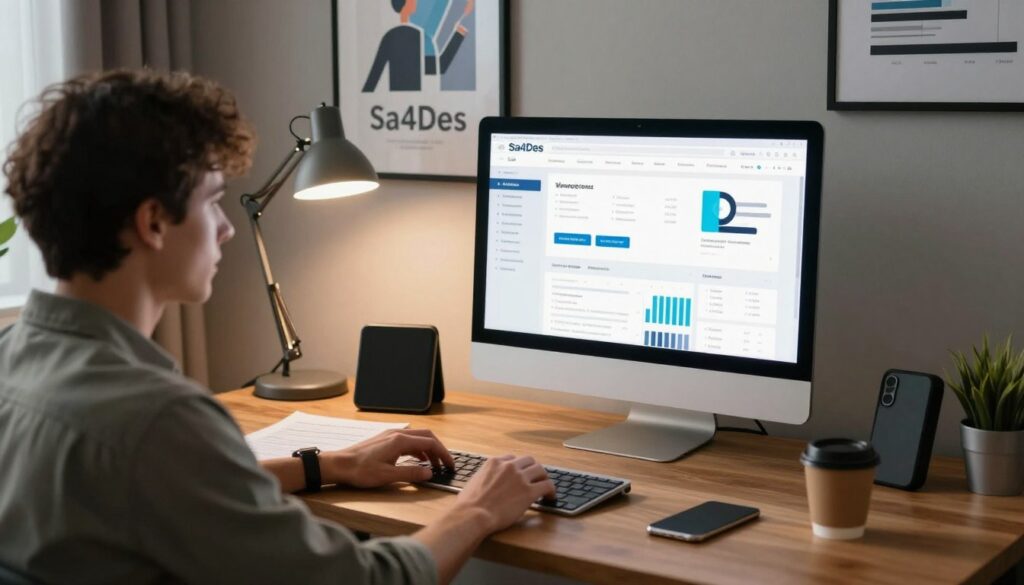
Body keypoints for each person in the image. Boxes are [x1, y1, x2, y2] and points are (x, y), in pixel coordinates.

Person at [0, 69, 554, 585]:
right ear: (153, 223)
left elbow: (179, 488)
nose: (225, 230)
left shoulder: (12, 357)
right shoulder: (159, 419)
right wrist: (478, 508)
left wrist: (328, 464)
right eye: (213, 202)